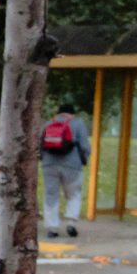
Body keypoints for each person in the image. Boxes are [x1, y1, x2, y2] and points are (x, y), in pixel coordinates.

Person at [39, 100, 88, 239]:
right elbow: (84, 146)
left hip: (49, 165)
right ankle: (71, 222)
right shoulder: (78, 124)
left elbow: (39, 145)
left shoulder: (48, 124)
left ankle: (52, 228)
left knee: (51, 195)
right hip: (72, 165)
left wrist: (44, 159)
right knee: (73, 194)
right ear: (72, 114)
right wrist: (84, 159)